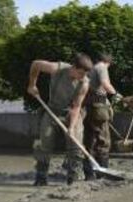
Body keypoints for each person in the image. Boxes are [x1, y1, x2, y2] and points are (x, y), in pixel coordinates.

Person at [27, 53, 93, 186]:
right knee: (46, 141)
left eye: (85, 74)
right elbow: (36, 64)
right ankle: (41, 177)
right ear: (73, 67)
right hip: (52, 110)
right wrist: (32, 84)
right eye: (80, 73)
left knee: (75, 144)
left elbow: (76, 106)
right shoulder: (58, 68)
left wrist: (71, 127)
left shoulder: (84, 83)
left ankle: (73, 178)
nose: (82, 77)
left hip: (71, 112)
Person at [83, 53, 122, 180]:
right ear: (108, 62)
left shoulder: (91, 69)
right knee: (103, 141)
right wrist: (115, 93)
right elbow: (105, 84)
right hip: (98, 108)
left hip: (88, 107)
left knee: (90, 140)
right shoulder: (101, 67)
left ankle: (89, 174)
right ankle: (103, 174)